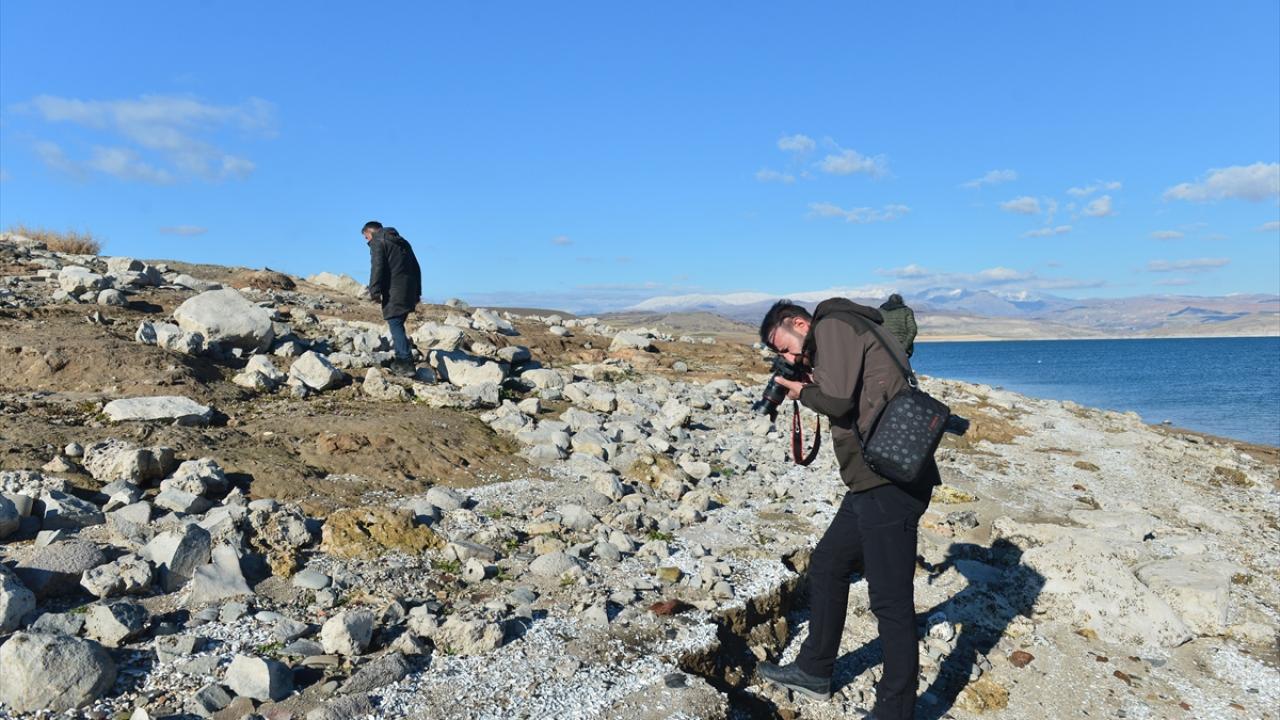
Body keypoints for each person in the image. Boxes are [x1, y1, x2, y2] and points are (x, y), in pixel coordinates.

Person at [755, 298, 940, 720]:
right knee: (827, 564)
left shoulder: (834, 325)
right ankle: (814, 669)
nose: (787, 357)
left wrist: (803, 390)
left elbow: (837, 401)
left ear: (800, 323)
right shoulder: (842, 332)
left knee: (890, 601)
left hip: (889, 485)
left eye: (784, 347)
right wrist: (808, 378)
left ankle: (896, 710)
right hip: (870, 483)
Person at [363, 220, 422, 376]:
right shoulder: (403, 242)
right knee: (398, 324)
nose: (366, 242)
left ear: (370, 232)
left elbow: (377, 266)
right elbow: (416, 267)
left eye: (366, 238)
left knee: (395, 323)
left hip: (394, 290)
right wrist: (417, 292)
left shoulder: (378, 241)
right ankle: (400, 357)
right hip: (409, 289)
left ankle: (405, 362)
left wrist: (374, 290)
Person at [877, 293, 917, 358]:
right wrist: (903, 347)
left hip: (884, 348)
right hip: (903, 349)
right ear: (901, 301)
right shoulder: (907, 311)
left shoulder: (879, 311)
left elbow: (876, 330)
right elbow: (913, 330)